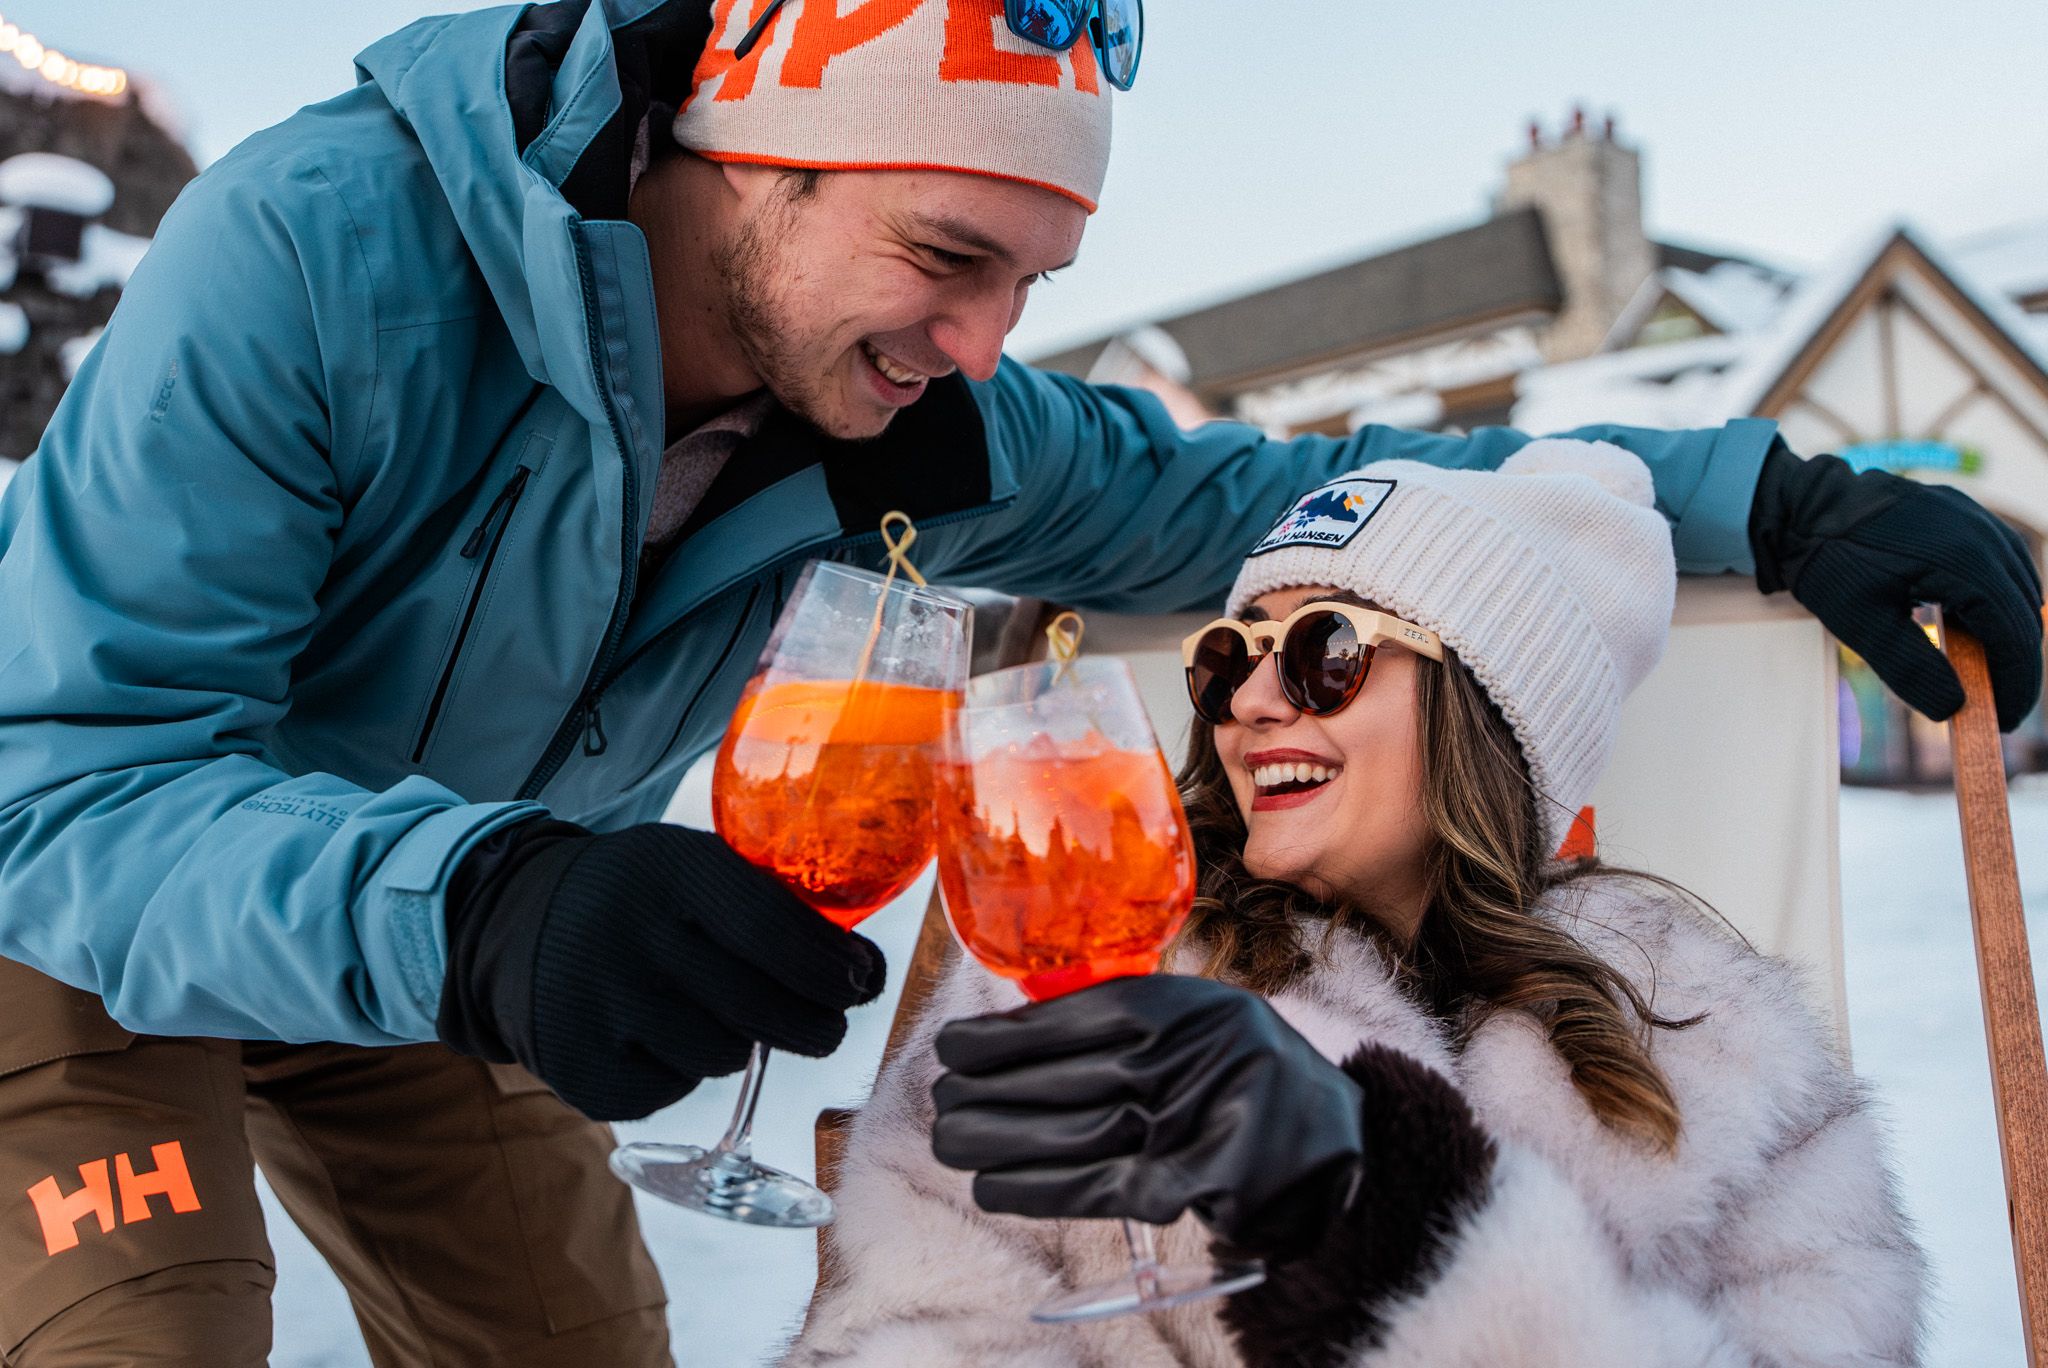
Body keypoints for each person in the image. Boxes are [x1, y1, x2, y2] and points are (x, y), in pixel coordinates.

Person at [0, 0, 2009, 1362]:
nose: (982, 345)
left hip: (455, 939)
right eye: (948, 256)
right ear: (753, 153)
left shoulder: (907, 421)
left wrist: (1766, 493)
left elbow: (1292, 500)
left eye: (1026, 290)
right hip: (89, 903)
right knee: (144, 1331)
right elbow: (64, 779)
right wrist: (494, 905)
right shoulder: (324, 249)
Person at [790, 439, 1929, 1366]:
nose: (1249, 704)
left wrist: (1406, 1230)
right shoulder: (1090, 955)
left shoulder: (1720, 1053)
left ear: (1487, 715)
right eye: (1228, 659)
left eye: (1325, 651)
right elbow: (904, 1330)